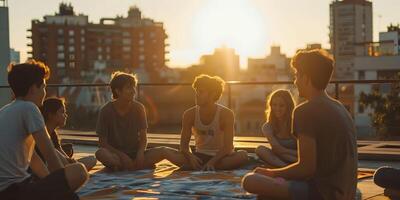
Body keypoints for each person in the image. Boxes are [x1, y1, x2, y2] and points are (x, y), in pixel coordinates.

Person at [242, 49, 358, 200]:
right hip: (348, 192)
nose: (295, 81)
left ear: (306, 78)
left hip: (324, 193)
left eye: (297, 75)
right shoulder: (339, 107)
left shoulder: (304, 111)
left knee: (250, 180)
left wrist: (272, 173)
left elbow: (306, 169)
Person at [0, 60, 88, 200]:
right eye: (43, 87)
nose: (45, 92)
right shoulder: (29, 108)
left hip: (8, 191)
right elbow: (50, 155)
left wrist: (50, 182)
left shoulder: (5, 110)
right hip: (15, 191)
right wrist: (64, 188)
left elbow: (33, 158)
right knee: (79, 171)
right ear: (33, 89)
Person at [95, 71, 182, 171]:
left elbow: (143, 138)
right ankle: (131, 165)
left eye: (133, 87)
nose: (133, 91)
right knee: (100, 153)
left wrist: (140, 154)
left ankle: (192, 165)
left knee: (164, 151)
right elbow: (102, 143)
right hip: (116, 156)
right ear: (118, 91)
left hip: (137, 154)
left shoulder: (139, 108)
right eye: (129, 88)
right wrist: (122, 156)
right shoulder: (106, 111)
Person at [173, 74, 248, 170]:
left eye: (201, 92)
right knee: (164, 152)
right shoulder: (189, 114)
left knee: (243, 155)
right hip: (199, 156)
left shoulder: (226, 114)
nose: (196, 95)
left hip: (221, 157)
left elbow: (228, 147)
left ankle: (204, 167)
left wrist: (212, 162)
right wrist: (190, 157)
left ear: (213, 94)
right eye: (196, 91)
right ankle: (203, 166)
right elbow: (183, 145)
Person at [38, 97, 97, 171]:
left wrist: (71, 161)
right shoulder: (40, 133)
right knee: (55, 151)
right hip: (49, 167)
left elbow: (65, 158)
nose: (66, 115)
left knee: (92, 159)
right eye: (62, 112)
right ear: (51, 115)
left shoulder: (53, 133)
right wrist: (71, 163)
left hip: (63, 164)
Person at [255, 89, 297, 168]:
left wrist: (284, 151)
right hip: (279, 158)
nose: (277, 108)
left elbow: (303, 152)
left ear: (288, 107)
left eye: (281, 105)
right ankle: (286, 168)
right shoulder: (267, 127)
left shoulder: (296, 124)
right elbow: (276, 149)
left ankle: (290, 167)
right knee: (260, 149)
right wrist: (282, 151)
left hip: (295, 158)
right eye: (274, 105)